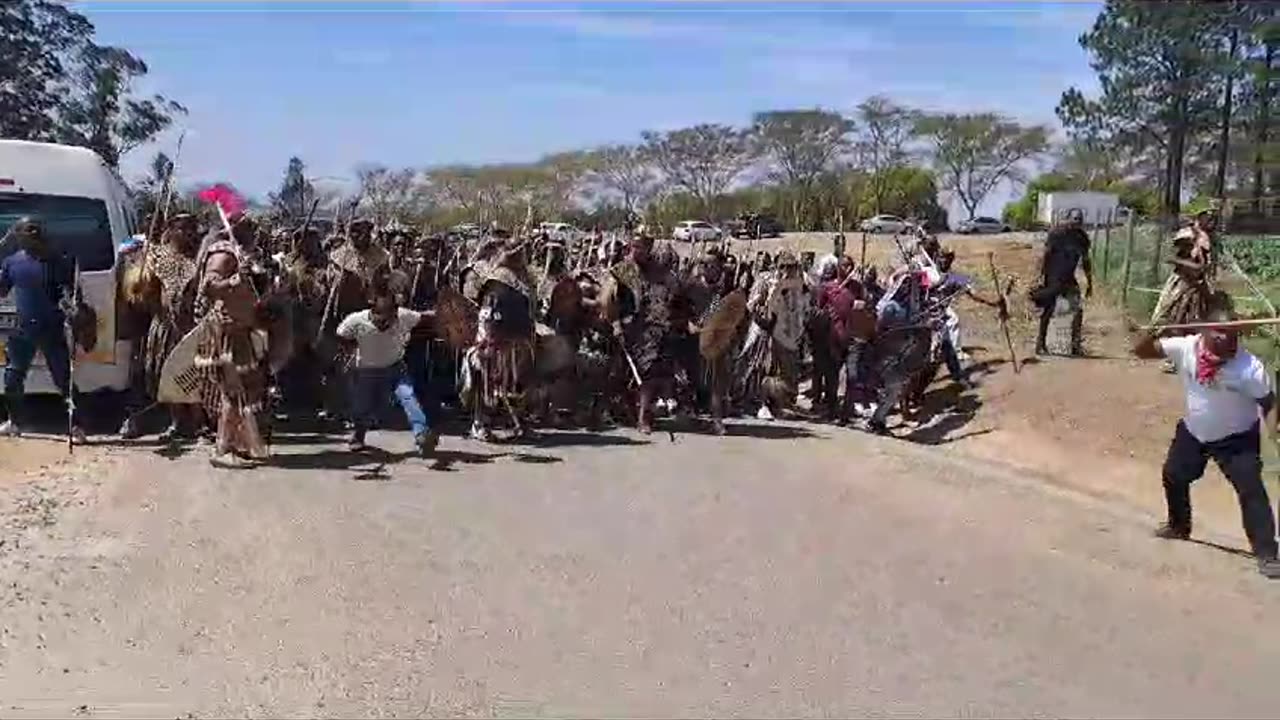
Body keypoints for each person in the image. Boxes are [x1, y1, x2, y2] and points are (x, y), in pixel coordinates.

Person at [1133, 308, 1280, 579]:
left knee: (1251, 492)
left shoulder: (1249, 368)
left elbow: (1269, 402)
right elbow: (1141, 351)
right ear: (1204, 331)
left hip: (1237, 441)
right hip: (1195, 432)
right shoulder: (1185, 347)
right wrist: (1153, 332)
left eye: (1233, 335)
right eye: (1221, 333)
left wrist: (1273, 433)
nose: (1228, 340)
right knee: (1174, 475)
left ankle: (1268, 554)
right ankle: (1179, 526)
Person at [0, 218, 88, 442]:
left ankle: (76, 426)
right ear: (19, 236)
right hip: (21, 329)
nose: (34, 235)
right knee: (12, 377)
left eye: (36, 231)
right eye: (28, 232)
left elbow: (73, 293)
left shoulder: (58, 262)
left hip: (51, 327)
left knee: (63, 379)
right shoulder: (12, 262)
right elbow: (2, 290)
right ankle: (14, 422)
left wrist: (74, 306)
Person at [193, 218, 271, 468]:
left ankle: (238, 444)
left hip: (244, 330)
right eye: (248, 226)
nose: (253, 231)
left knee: (245, 390)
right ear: (233, 229)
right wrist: (234, 280)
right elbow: (208, 287)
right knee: (232, 391)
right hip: (227, 331)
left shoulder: (246, 255)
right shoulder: (223, 254)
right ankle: (224, 449)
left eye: (254, 227)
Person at [122, 213, 202, 440]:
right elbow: (138, 289)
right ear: (172, 230)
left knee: (195, 376)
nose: (188, 233)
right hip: (165, 326)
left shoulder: (199, 258)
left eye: (192, 228)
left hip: (192, 327)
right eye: (183, 228)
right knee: (165, 376)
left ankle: (199, 423)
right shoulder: (155, 256)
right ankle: (177, 421)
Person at [336, 280, 438, 456]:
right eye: (385, 309)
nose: (390, 316)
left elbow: (425, 317)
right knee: (362, 406)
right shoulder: (356, 320)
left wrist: (445, 313)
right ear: (373, 306)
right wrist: (350, 353)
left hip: (395, 368)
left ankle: (422, 434)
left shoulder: (403, 316)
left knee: (408, 396)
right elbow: (341, 334)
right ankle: (358, 436)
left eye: (393, 308)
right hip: (367, 370)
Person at [1034, 208, 1092, 356]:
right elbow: (1046, 255)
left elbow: (1086, 261)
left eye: (1079, 220)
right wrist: (1040, 276)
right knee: (1048, 310)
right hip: (1052, 277)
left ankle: (1075, 345)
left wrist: (1090, 282)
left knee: (1077, 309)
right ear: (1068, 219)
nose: (1076, 223)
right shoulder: (1057, 234)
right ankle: (1040, 344)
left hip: (1068, 279)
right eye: (1074, 220)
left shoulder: (1082, 238)